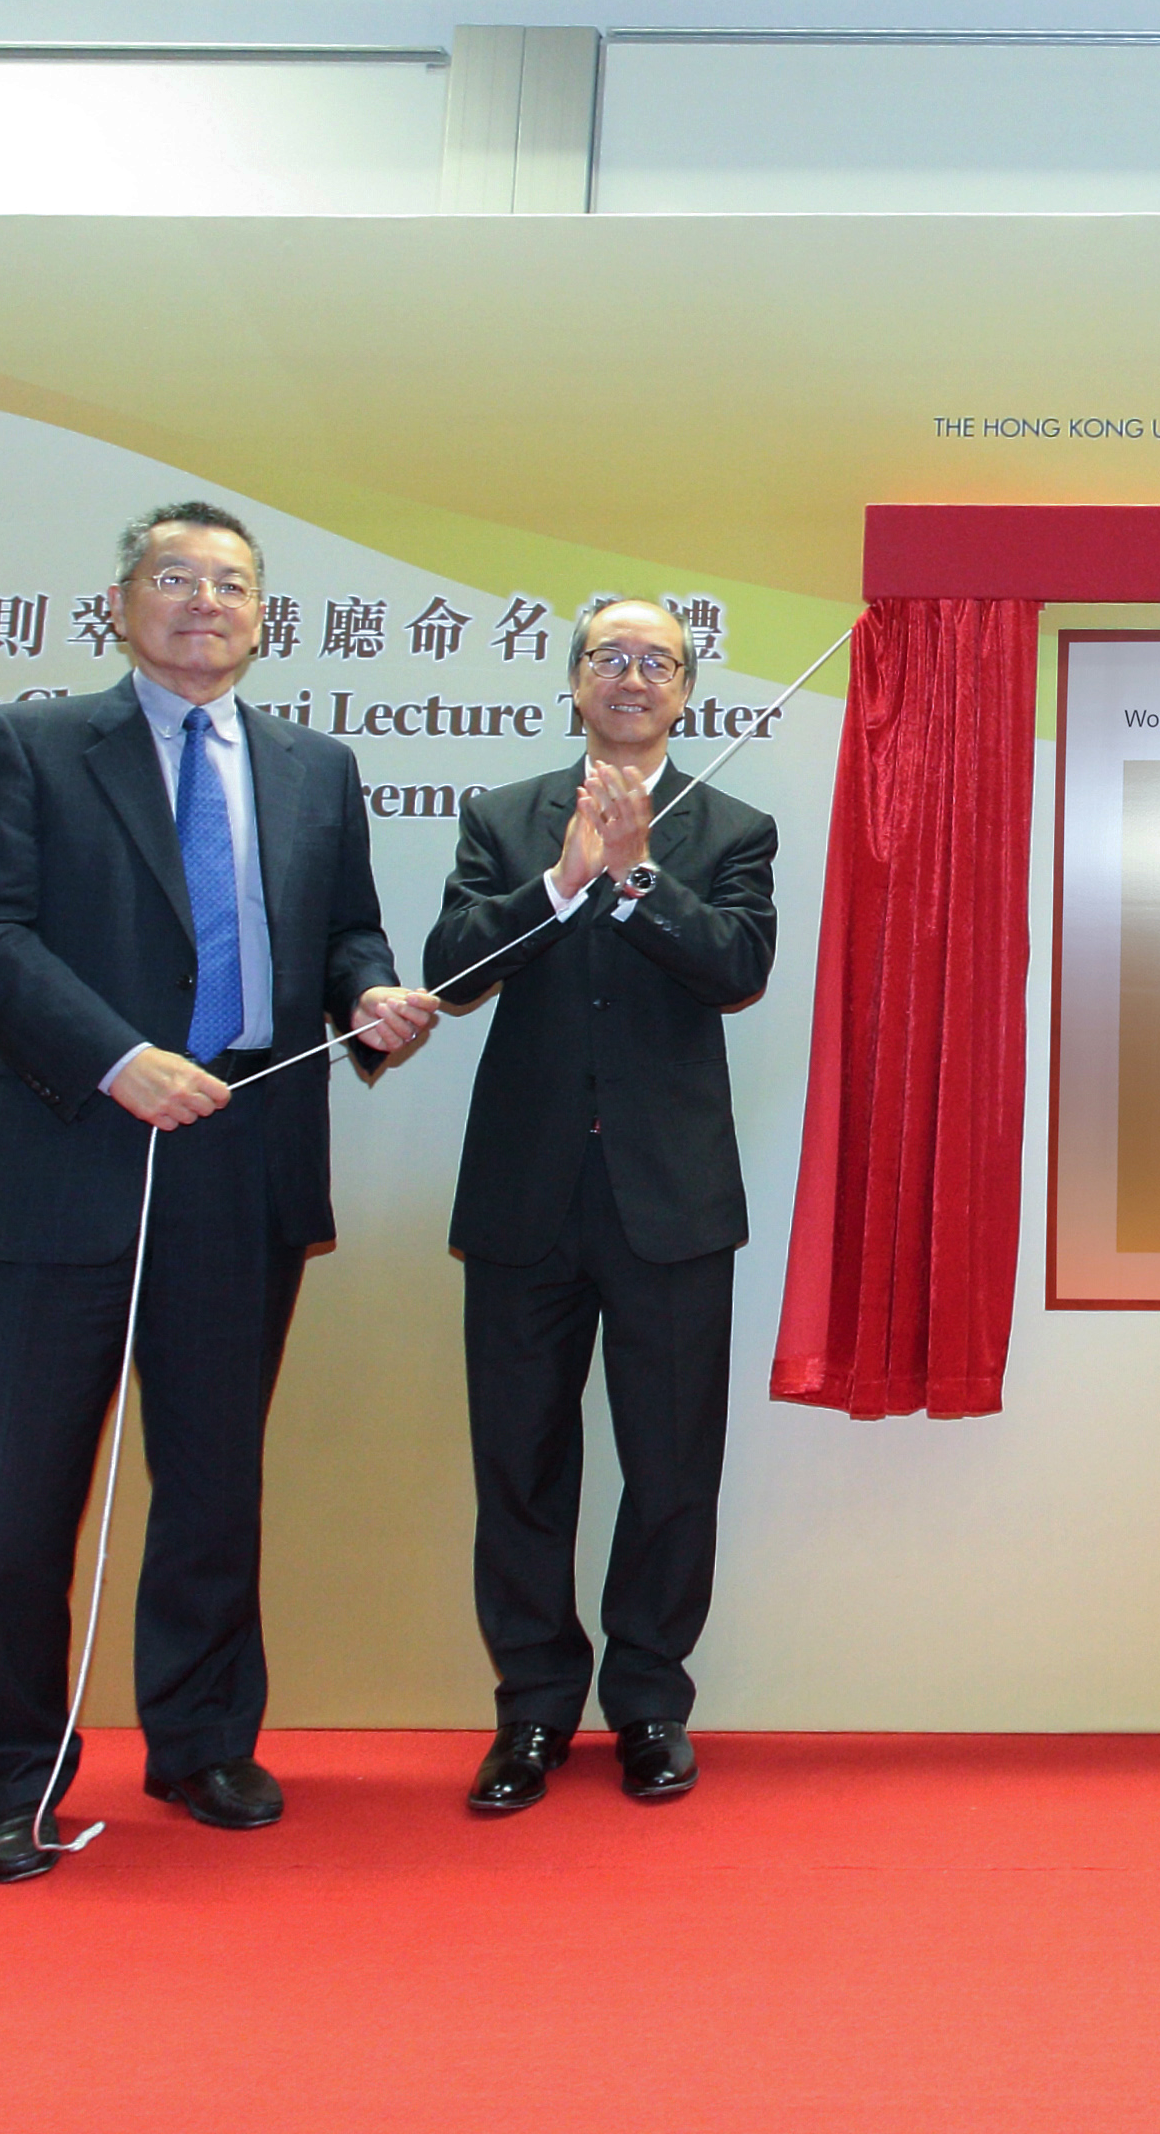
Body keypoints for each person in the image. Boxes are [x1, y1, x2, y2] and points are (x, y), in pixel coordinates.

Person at [0, 500, 439, 1884]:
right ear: (120, 603)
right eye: (174, 577)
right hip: (66, 1153)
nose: (202, 601)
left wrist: (369, 990)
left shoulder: (314, 766)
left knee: (214, 1479)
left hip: (245, 1149)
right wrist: (116, 1059)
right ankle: (10, 1780)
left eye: (231, 583)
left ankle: (205, 1738)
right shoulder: (26, 746)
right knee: (23, 1495)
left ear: (264, 617)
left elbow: (345, 927)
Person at [427, 598, 778, 1815]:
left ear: (688, 693)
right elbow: (454, 969)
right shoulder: (504, 817)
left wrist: (634, 880)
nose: (631, 678)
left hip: (670, 1204)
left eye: (657, 663)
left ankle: (647, 1706)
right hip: (525, 1197)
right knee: (520, 1463)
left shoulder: (733, 826)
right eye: (609, 658)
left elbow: (738, 968)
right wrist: (565, 877)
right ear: (574, 679)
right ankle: (530, 1711)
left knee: (672, 1465)